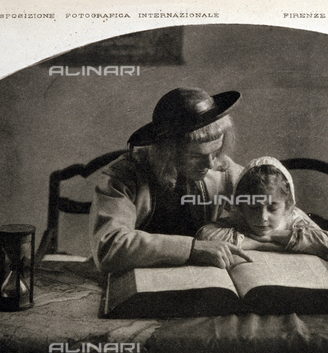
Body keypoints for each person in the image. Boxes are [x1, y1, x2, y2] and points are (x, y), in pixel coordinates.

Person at [89, 87, 253, 273]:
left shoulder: (221, 167)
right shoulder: (123, 176)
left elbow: (270, 204)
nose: (210, 164)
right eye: (195, 156)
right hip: (136, 281)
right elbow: (109, 247)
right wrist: (193, 248)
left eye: (215, 151)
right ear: (168, 151)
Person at [196, 156, 328, 267]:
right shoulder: (240, 218)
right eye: (253, 207)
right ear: (241, 206)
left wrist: (271, 236)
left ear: (287, 206)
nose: (263, 217)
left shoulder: (293, 217)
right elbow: (204, 235)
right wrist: (261, 243)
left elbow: (327, 244)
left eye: (272, 208)